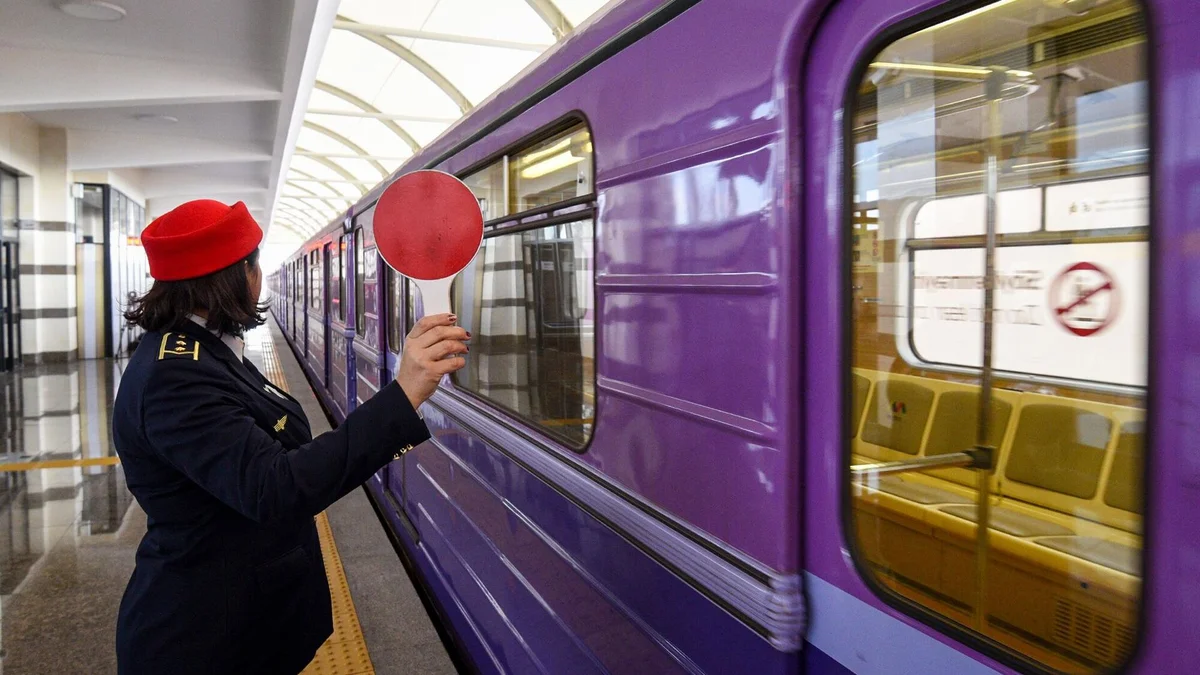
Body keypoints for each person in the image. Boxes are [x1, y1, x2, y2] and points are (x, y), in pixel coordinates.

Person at [110, 199, 468, 675]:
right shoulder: (176, 377)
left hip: (235, 624)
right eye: (254, 263)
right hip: (205, 640)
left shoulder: (203, 351)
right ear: (237, 274)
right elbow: (273, 487)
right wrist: (402, 396)